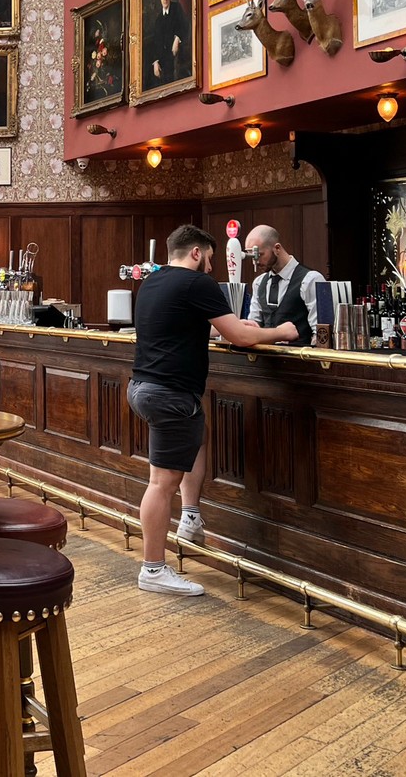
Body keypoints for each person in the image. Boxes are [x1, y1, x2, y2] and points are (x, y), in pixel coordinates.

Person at [128, 225, 299, 596]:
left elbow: (179, 328)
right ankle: (153, 569)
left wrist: (228, 328)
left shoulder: (152, 282)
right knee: (161, 483)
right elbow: (241, 337)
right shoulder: (197, 283)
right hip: (170, 393)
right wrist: (282, 331)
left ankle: (190, 516)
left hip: (143, 387)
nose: (210, 268)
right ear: (195, 252)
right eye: (208, 259)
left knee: (199, 435)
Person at [244, 225, 326, 345]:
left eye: (260, 255)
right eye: (252, 257)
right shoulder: (259, 282)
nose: (255, 262)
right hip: (264, 355)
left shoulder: (311, 279)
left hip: (300, 354)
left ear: (277, 248)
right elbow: (254, 324)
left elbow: (320, 332)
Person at [145, 0, 190, 85]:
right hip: (163, 56)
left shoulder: (176, 8)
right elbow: (156, 42)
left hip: (177, 50)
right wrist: (155, 62)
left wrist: (177, 39)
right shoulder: (158, 20)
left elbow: (184, 25)